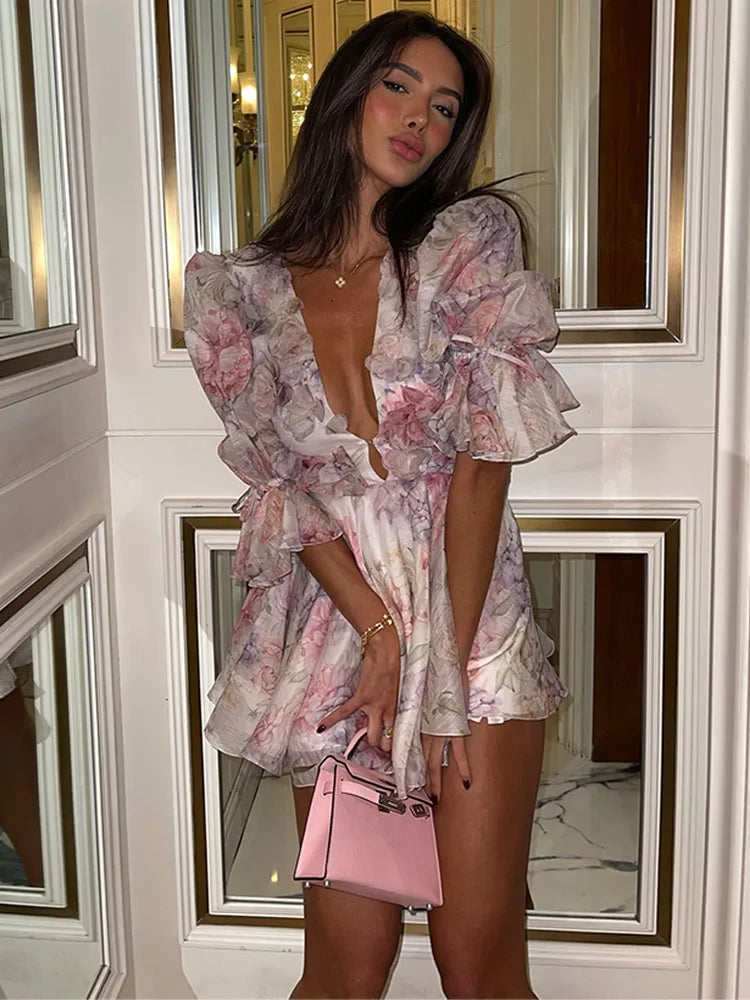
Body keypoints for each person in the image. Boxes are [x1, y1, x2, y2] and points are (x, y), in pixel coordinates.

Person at [184, 10, 578, 998]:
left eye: (445, 108)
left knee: (476, 963)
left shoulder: (465, 246)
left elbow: (482, 468)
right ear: (346, 94)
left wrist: (437, 675)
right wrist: (378, 634)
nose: (419, 120)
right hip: (336, 635)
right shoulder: (240, 291)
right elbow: (283, 488)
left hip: (472, 631)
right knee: (345, 971)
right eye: (399, 86)